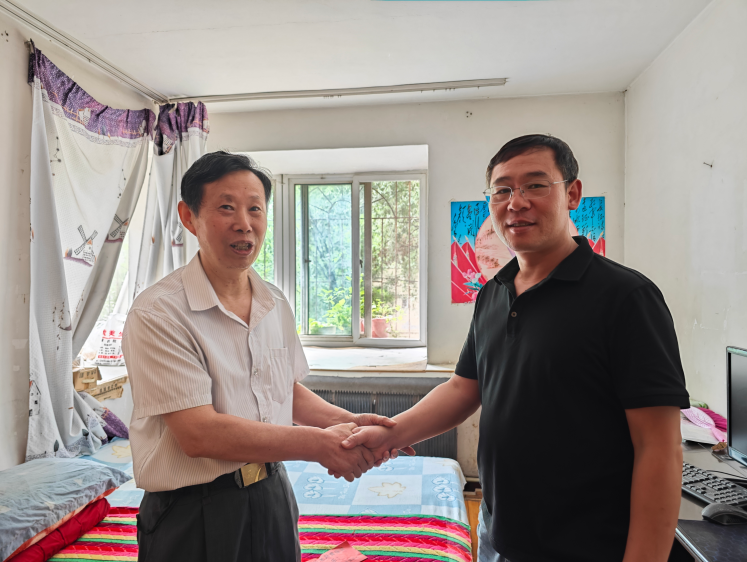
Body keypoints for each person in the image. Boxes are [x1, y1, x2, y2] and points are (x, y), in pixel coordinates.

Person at [340, 135, 690, 562]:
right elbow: (463, 389)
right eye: (502, 190)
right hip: (497, 534)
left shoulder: (625, 297)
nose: (516, 202)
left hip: (587, 546)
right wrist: (391, 434)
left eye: (535, 185)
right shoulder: (494, 293)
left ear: (572, 194)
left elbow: (659, 447)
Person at [122, 151, 400, 561]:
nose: (244, 223)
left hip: (271, 493)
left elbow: (283, 389)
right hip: (194, 509)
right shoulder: (159, 313)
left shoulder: (274, 302)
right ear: (188, 217)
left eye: (255, 208)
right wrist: (319, 445)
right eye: (226, 208)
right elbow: (198, 434)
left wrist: (349, 424)